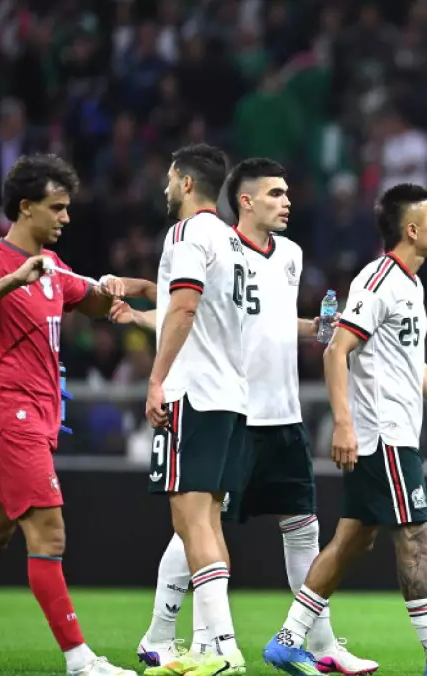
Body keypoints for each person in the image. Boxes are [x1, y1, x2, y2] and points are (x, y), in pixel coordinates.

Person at [119, 158, 378, 675]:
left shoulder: (290, 255)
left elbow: (268, 322)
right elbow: (189, 308)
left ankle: (315, 644)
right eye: (276, 193)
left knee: (297, 524)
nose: (287, 202)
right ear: (245, 199)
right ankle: (171, 635)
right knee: (196, 523)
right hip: (235, 406)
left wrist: (323, 327)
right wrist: (145, 306)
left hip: (276, 410)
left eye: (287, 193)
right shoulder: (216, 242)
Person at [261, 184, 427, 676]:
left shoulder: (411, 284)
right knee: (417, 536)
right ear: (411, 230)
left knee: (353, 539)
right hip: (382, 436)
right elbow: (335, 349)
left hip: (393, 434)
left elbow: (413, 364)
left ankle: (288, 639)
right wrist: (343, 424)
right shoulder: (378, 281)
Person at [0, 154, 153, 675]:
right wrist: (16, 279)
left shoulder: (54, 270)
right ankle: (81, 660)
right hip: (7, 416)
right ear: (25, 208)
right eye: (57, 208)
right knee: (49, 534)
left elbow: (93, 299)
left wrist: (125, 288)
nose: (66, 218)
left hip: (37, 417)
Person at [144, 143, 250, 676]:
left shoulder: (186, 235)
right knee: (207, 521)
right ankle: (208, 648)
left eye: (169, 178)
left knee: (190, 518)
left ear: (186, 183)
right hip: (232, 395)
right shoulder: (235, 243)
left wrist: (157, 377)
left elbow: (184, 306)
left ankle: (224, 649)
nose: (166, 187)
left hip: (194, 391)